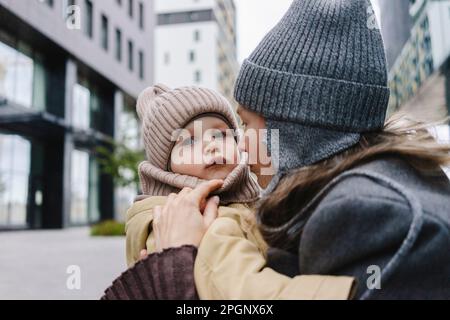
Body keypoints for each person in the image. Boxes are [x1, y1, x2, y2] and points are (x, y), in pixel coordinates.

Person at [104, 0, 450, 300]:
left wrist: (176, 265)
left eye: (244, 127)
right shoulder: (365, 190)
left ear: (292, 129)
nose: (240, 147)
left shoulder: (370, 213)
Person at [102, 84, 356, 300]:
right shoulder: (172, 216)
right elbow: (240, 289)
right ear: (165, 164)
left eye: (221, 134)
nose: (211, 145)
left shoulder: (251, 199)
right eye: (189, 141)